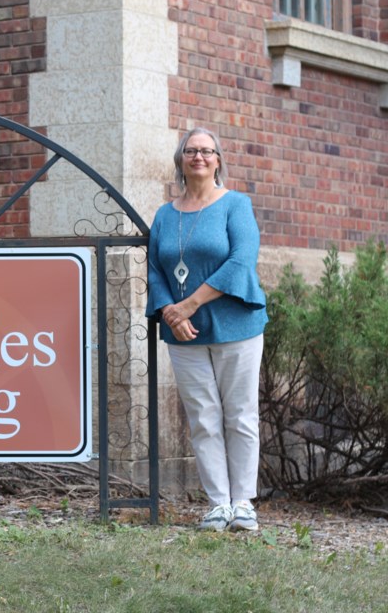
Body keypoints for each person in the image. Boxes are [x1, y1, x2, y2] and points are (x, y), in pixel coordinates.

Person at [146, 128, 268, 532]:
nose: (198, 156)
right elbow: (154, 271)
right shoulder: (165, 215)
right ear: (181, 160)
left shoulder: (236, 204)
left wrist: (189, 305)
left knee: (241, 416)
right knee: (202, 418)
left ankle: (244, 503)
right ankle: (218, 504)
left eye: (206, 151)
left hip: (236, 326)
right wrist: (170, 312)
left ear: (218, 160)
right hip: (183, 333)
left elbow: (241, 261)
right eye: (191, 151)